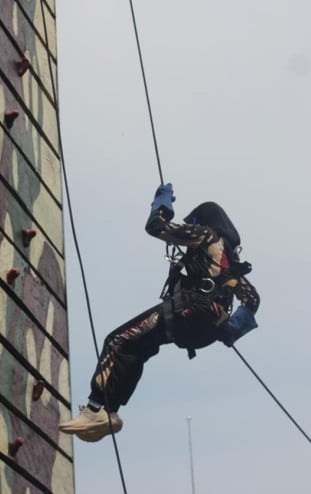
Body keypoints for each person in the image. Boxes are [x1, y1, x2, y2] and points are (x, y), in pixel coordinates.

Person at [59, 184, 261, 442]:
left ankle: (94, 409)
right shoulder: (229, 262)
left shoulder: (206, 235)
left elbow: (155, 226)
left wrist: (162, 201)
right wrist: (231, 329)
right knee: (137, 346)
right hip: (204, 331)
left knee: (117, 340)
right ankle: (108, 411)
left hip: (187, 313)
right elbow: (252, 299)